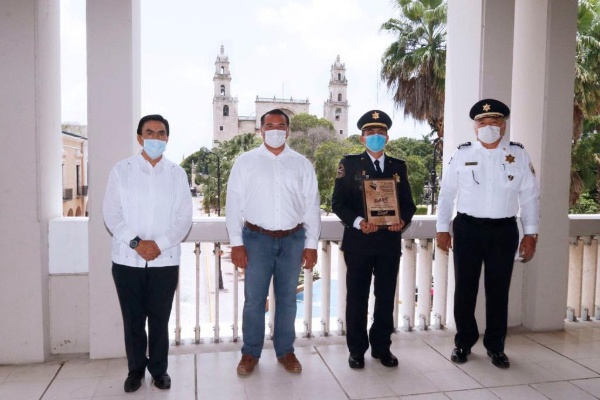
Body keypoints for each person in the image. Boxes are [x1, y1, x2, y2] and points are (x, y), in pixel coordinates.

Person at [436, 99, 540, 369]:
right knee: (465, 289)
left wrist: (531, 233)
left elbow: (529, 196)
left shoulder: (518, 154)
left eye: (494, 121)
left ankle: (496, 346)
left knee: (498, 291)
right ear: (475, 127)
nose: (488, 126)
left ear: (503, 126)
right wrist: (442, 228)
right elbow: (447, 193)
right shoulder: (462, 154)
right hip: (467, 228)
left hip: (503, 230)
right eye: (482, 122)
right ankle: (463, 342)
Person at [225, 108, 321, 376]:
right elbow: (233, 203)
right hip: (256, 240)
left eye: (281, 126)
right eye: (270, 125)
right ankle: (250, 353)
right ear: (261, 130)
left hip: (293, 240)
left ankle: (285, 351)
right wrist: (236, 243)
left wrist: (311, 244)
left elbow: (312, 205)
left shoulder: (301, 164)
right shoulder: (245, 162)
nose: (275, 130)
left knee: (288, 299)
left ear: (288, 131)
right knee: (254, 300)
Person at [103, 114, 193, 392]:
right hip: (127, 260)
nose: (156, 137)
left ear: (167, 138)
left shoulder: (177, 173)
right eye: (150, 132)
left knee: (159, 319)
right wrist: (137, 243)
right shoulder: (122, 170)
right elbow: (111, 213)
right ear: (140, 138)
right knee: (133, 320)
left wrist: (159, 244)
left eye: (161, 133)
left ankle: (159, 370)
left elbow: (184, 218)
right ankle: (135, 371)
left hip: (165, 260)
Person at [332, 110, 417, 369]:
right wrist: (359, 222)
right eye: (370, 132)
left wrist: (401, 220)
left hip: (388, 243)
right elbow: (338, 203)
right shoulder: (349, 164)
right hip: (359, 242)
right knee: (357, 298)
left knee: (385, 297)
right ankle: (357, 350)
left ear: (387, 138)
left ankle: (382, 347)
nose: (376, 136)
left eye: (381, 132)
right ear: (362, 138)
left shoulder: (398, 167)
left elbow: (408, 204)